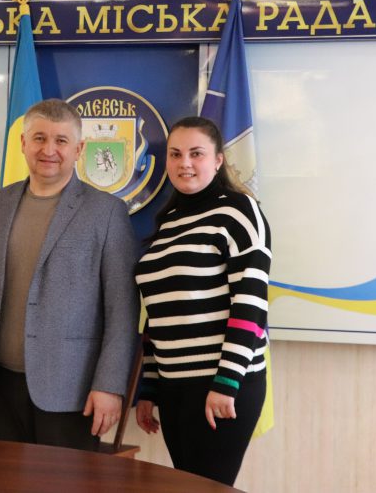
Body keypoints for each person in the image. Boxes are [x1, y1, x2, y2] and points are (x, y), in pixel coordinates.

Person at [0, 99, 139, 451]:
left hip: (73, 389)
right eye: (40, 138)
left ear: (79, 149)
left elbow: (122, 310)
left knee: (63, 479)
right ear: (23, 143)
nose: (49, 150)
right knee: (5, 478)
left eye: (61, 141)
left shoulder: (107, 213)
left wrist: (109, 385)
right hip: (0, 383)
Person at [134, 116, 271, 485]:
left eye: (196, 153)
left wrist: (226, 382)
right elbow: (158, 313)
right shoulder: (168, 220)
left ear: (218, 160)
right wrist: (149, 388)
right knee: (185, 485)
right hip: (173, 386)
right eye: (176, 154)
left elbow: (251, 305)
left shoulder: (239, 211)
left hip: (221, 383)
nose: (185, 163)